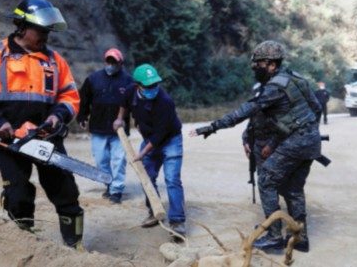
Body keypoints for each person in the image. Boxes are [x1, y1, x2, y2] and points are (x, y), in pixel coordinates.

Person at [0, 0, 84, 248]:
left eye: (47, 31)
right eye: (40, 30)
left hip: (46, 139)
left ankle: (75, 245)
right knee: (17, 195)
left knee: (66, 192)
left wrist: (56, 117)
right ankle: (24, 244)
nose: (44, 36)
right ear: (22, 26)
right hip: (9, 141)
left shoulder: (55, 61)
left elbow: (70, 96)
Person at [192, 40, 323, 252]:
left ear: (271, 64)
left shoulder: (274, 87)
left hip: (297, 142)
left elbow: (247, 110)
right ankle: (299, 237)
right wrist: (299, 128)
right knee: (294, 189)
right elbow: (316, 108)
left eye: (259, 63)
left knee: (266, 180)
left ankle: (274, 236)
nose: (255, 67)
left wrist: (213, 126)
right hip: (311, 143)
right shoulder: (296, 78)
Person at [112, 64, 186, 239]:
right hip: (149, 139)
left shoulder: (165, 101)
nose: (153, 89)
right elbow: (124, 104)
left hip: (170, 140)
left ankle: (177, 221)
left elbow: (160, 135)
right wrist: (120, 119)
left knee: (172, 179)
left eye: (155, 85)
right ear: (138, 85)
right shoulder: (130, 91)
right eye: (148, 86)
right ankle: (155, 211)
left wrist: (141, 154)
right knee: (147, 177)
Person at [77, 48, 133, 204]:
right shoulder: (93, 79)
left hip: (120, 129)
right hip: (98, 127)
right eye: (108, 61)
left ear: (120, 63)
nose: (111, 64)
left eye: (114, 62)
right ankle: (108, 183)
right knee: (101, 160)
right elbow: (84, 99)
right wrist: (82, 116)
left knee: (119, 160)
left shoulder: (128, 81)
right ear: (105, 61)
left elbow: (134, 104)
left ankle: (116, 190)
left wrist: (139, 121)